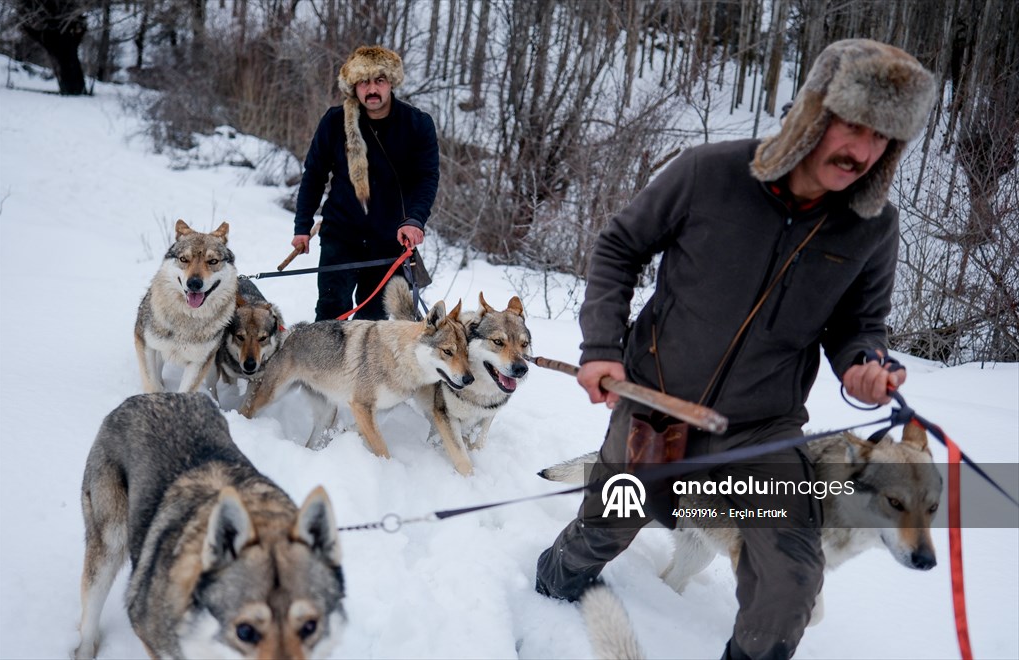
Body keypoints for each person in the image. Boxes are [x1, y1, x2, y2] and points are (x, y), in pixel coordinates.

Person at [534, 39, 936, 659]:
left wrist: (863, 364)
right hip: (653, 408)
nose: (863, 151)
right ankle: (545, 596)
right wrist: (600, 346)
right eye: (853, 126)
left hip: (761, 434)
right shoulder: (709, 173)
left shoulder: (873, 227)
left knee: (791, 585)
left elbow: (861, 324)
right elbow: (618, 247)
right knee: (604, 530)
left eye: (883, 138)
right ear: (813, 114)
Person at [292, 45, 439, 321]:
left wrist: (415, 220)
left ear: (391, 82)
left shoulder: (417, 124)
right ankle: (324, 366)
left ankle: (362, 367)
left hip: (390, 240)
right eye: (364, 82)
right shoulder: (335, 122)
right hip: (340, 235)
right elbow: (314, 175)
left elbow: (427, 178)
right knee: (330, 314)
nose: (372, 89)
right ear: (353, 86)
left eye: (379, 80)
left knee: (373, 325)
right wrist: (302, 226)